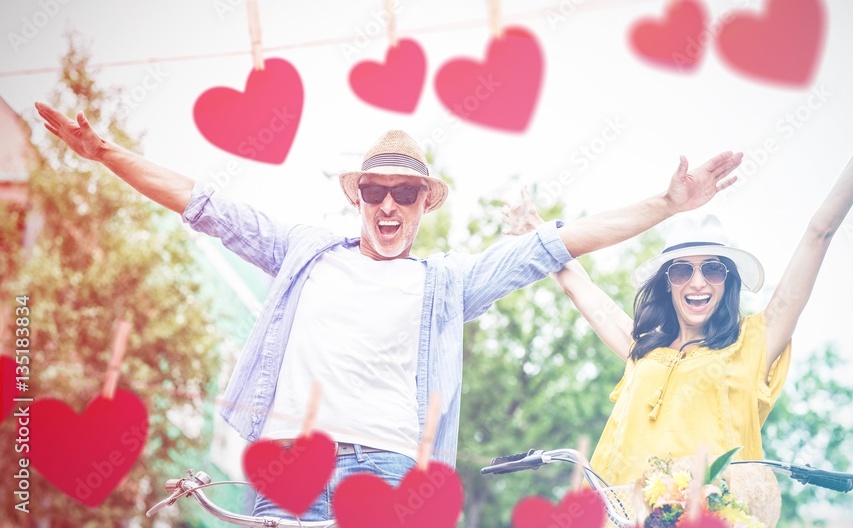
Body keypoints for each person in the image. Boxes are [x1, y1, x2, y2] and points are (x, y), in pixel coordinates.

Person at [34, 103, 744, 520]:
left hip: (390, 477)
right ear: (359, 197)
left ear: (424, 204)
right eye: (376, 191)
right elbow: (205, 205)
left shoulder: (447, 282)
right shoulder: (304, 250)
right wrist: (103, 153)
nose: (389, 206)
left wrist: (666, 205)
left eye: (406, 194)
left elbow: (556, 242)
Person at [502, 64, 853, 516]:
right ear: (668, 283)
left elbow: (820, 232)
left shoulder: (754, 343)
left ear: (728, 280)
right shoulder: (643, 347)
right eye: (682, 272)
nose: (697, 282)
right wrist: (537, 234)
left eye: (712, 269)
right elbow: (588, 295)